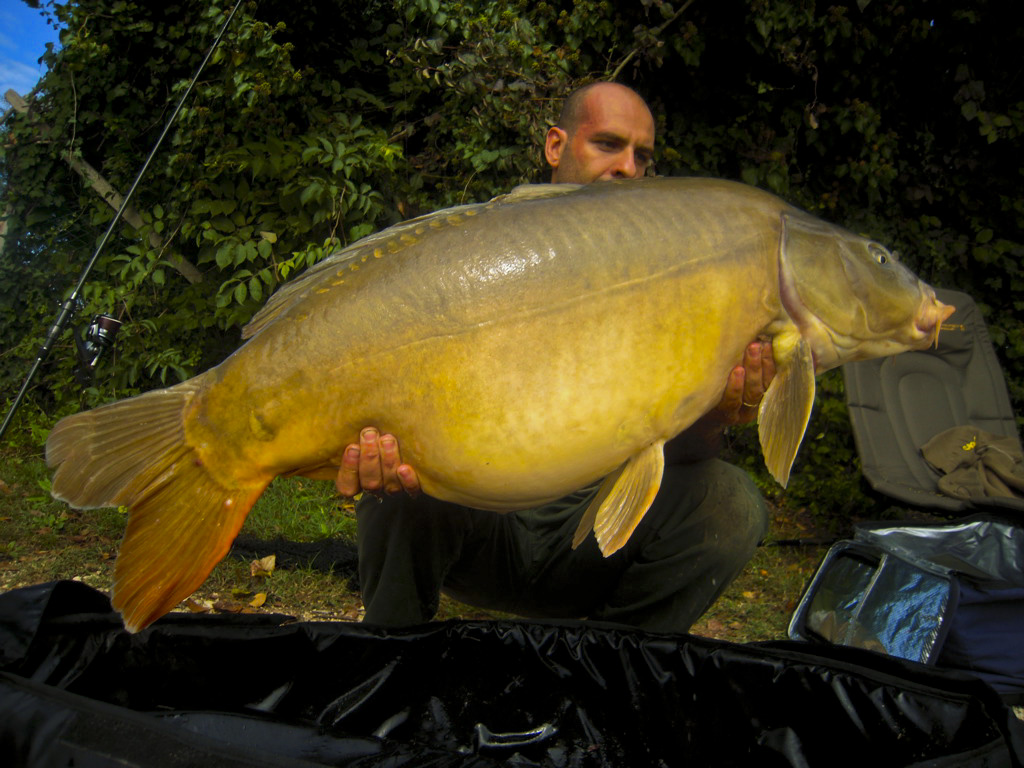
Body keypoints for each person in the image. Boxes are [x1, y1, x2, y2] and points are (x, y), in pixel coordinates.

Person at [336, 82, 774, 633]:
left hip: (593, 541)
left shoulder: (679, 280)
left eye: (642, 157)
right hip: (482, 528)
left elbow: (677, 453)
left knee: (732, 503)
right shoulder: (480, 252)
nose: (627, 168)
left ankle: (608, 674)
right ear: (555, 146)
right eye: (609, 145)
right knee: (401, 472)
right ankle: (391, 658)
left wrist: (719, 413)